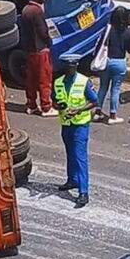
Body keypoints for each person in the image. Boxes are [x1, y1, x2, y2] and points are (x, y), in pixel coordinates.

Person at [51, 53, 98, 209]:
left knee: (80, 157)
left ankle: (83, 192)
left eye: (72, 66)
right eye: (67, 66)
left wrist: (78, 110)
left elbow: (94, 101)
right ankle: (72, 180)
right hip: (66, 123)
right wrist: (58, 106)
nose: (70, 68)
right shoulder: (58, 82)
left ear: (76, 66)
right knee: (70, 153)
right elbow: (54, 101)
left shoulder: (84, 81)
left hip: (80, 124)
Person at [21, 0, 57, 117]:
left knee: (31, 79)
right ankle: (46, 107)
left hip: (29, 50)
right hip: (40, 50)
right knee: (44, 79)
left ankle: (31, 105)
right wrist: (49, 40)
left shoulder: (25, 10)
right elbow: (43, 32)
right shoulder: (37, 12)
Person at [94, 7, 130, 125]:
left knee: (102, 87)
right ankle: (112, 115)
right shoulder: (128, 32)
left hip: (106, 61)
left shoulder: (108, 29)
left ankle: (97, 111)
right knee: (115, 89)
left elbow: (101, 43)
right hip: (119, 62)